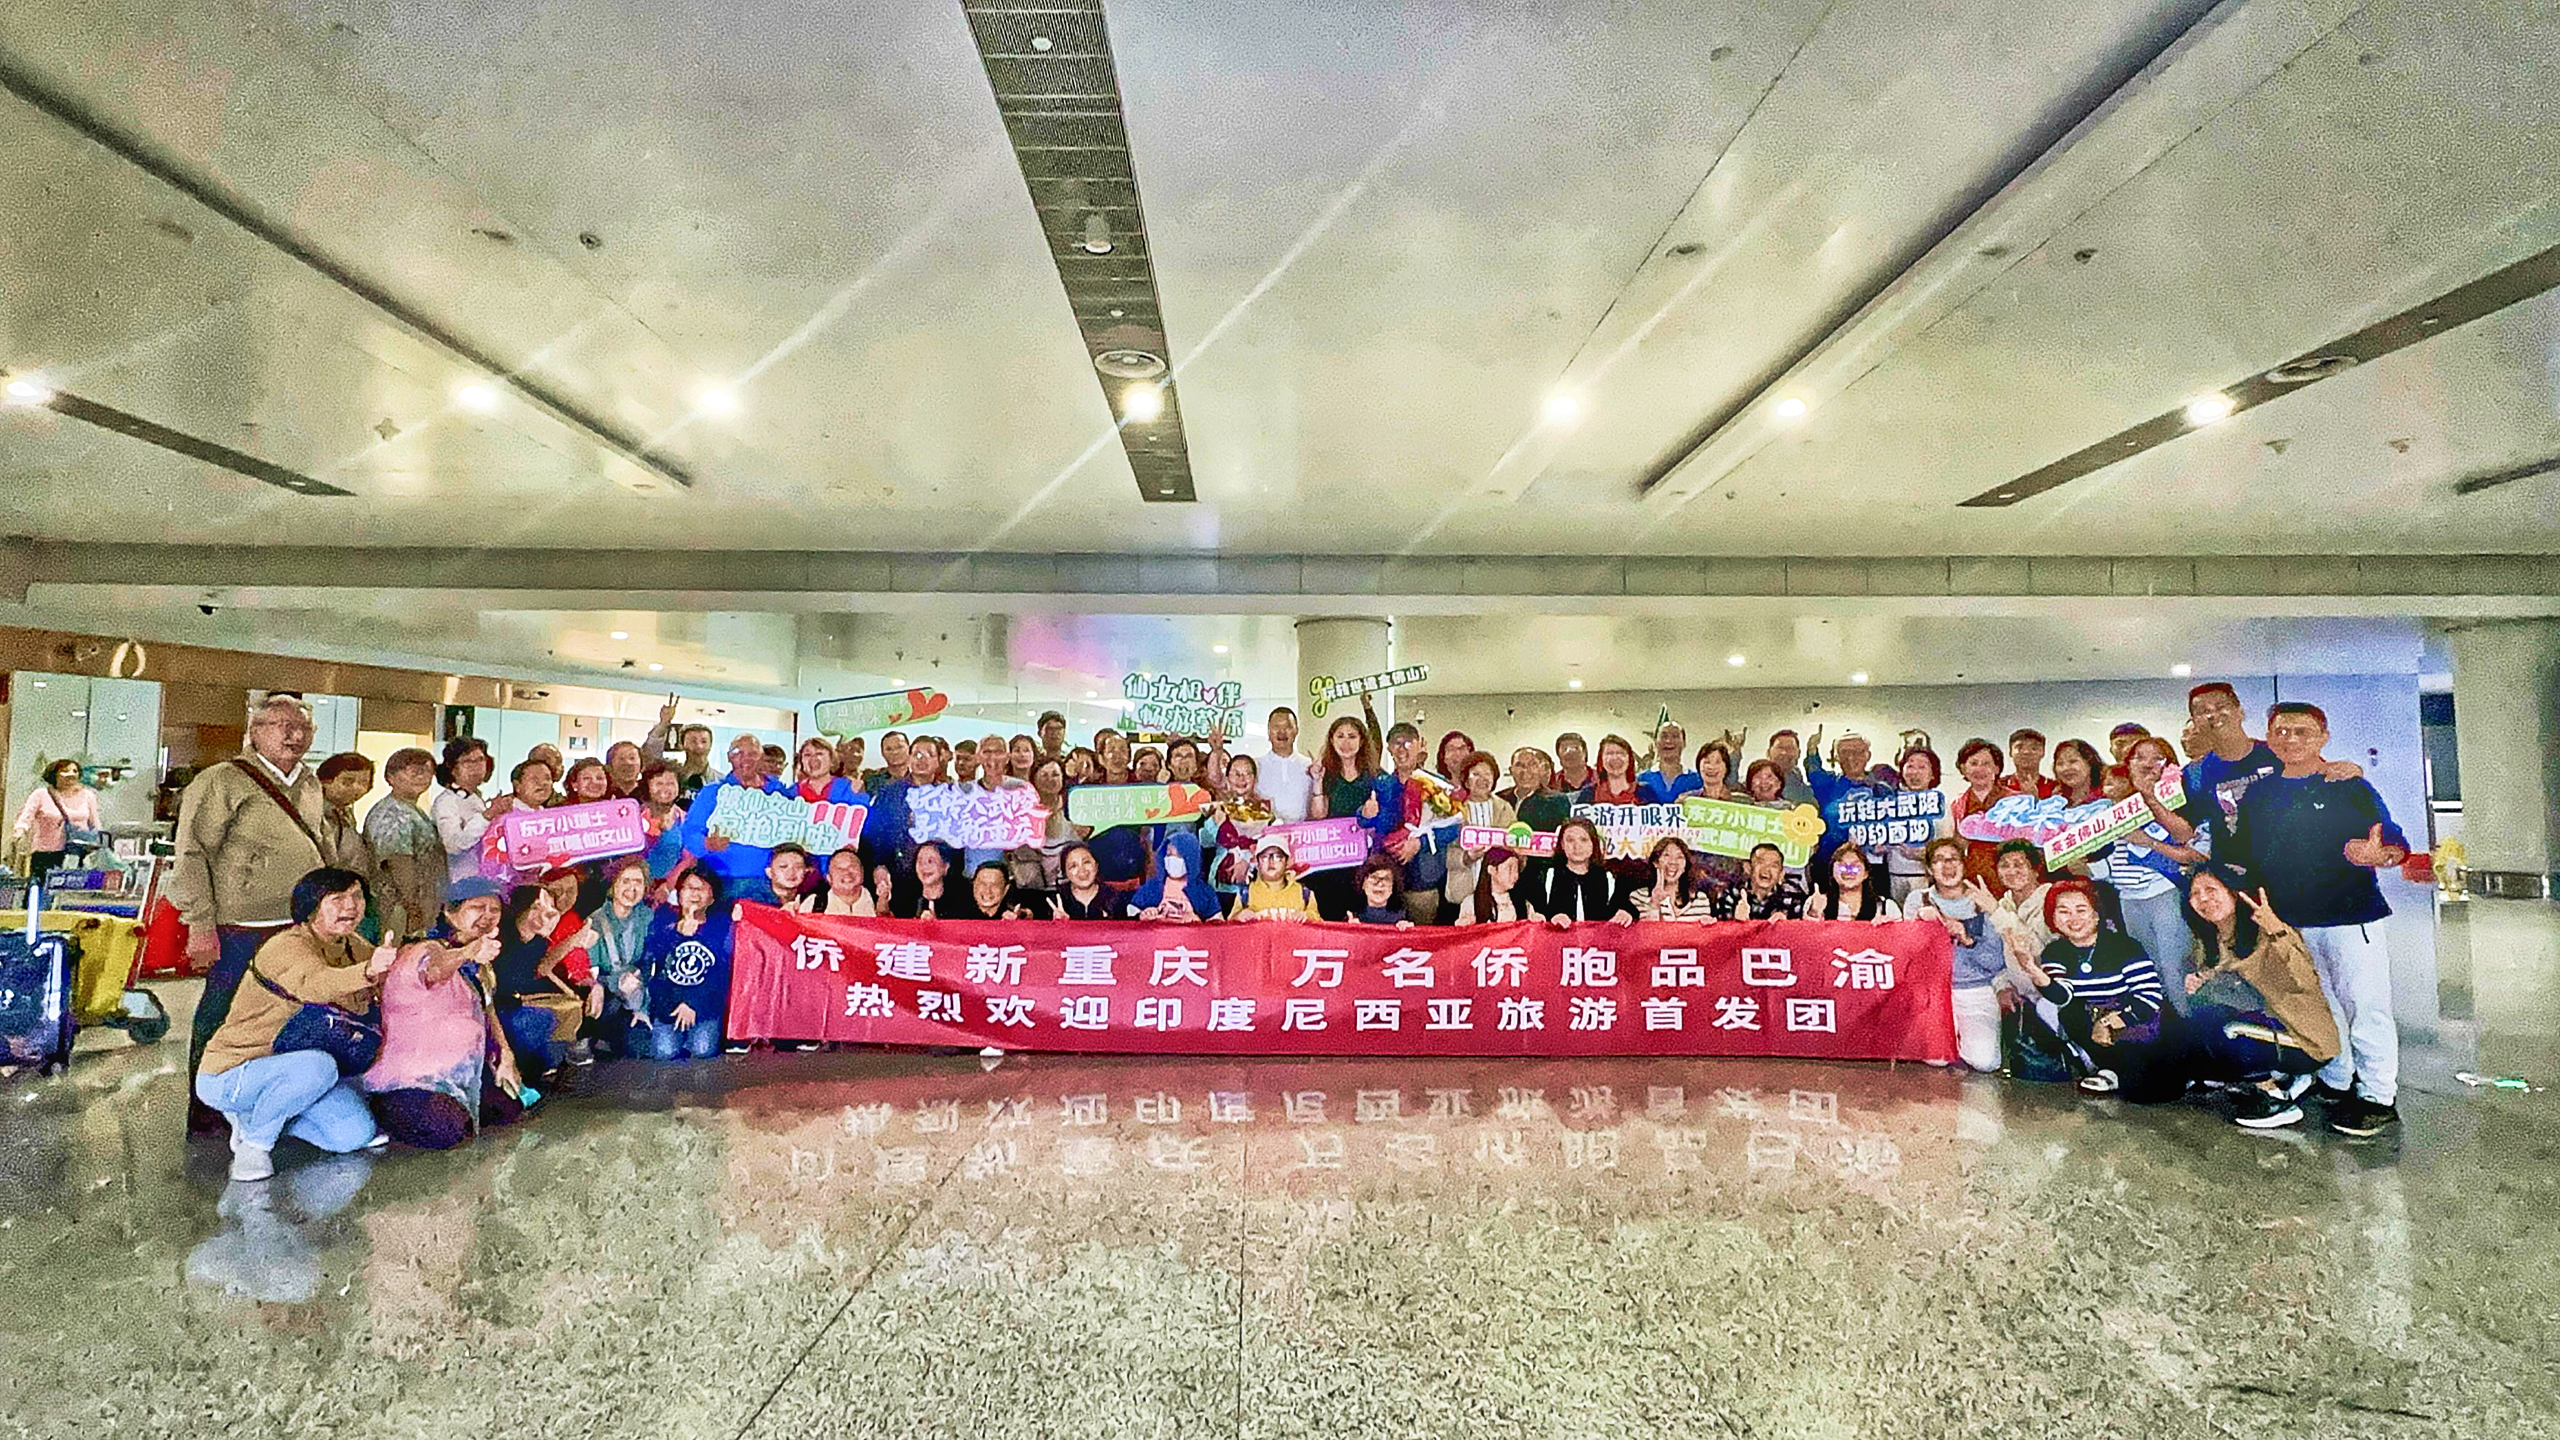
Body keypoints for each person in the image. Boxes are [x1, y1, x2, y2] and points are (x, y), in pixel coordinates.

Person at [2224, 701, 2411, 1137]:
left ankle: (2378, 1096)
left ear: (2323, 737)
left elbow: (2392, 838)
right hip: (2290, 925)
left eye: (2302, 731)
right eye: (2281, 731)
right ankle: (2336, 1079)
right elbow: (2247, 855)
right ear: (2269, 737)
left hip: (2350, 918)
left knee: (2365, 1007)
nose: (2290, 739)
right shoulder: (2260, 795)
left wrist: (2380, 855)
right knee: (2320, 1006)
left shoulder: (2348, 786)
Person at [176, 697, 330, 1131]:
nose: (294, 735)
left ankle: (272, 1102)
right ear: (255, 731)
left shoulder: (310, 783)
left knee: (290, 1011)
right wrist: (200, 923)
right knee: (224, 1012)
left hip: (299, 923)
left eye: (303, 728)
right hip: (239, 924)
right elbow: (191, 852)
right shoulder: (223, 780)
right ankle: (207, 1106)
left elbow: (320, 842)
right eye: (282, 725)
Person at [194, 867, 392, 1180]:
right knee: (319, 1067)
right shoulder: (285, 945)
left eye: (357, 897)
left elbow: (392, 977)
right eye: (337, 899)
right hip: (234, 1072)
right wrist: (368, 971)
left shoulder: (351, 945)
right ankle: (254, 1147)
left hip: (298, 1071)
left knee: (355, 1134)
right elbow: (316, 984)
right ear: (311, 907)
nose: (351, 906)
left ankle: (259, 1117)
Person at [362, 877, 527, 1149]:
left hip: (460, 1073)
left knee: (508, 1110)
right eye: (477, 907)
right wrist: (468, 952)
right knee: (450, 1130)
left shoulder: (481, 963)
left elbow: (487, 1007)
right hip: (409, 1082)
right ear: (450, 912)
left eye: (494, 909)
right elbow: (434, 968)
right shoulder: (422, 949)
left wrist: (505, 1054)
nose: (488, 916)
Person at [2180, 862, 2341, 1129]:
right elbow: (2224, 985)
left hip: (2304, 1039)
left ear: (2233, 892)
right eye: (2195, 893)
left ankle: (2275, 1099)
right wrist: (2200, 980)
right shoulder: (2211, 939)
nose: (2203, 899)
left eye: (2211, 889)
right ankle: (2282, 1079)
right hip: (2269, 1028)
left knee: (2217, 1025)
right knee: (2196, 1018)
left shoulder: (2266, 931)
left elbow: (2305, 980)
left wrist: (2276, 929)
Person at [2014, 882, 2179, 1101]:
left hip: (2138, 1021)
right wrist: (2032, 969)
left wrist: (2110, 1022)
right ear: (2053, 918)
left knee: (2146, 1092)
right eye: (2063, 911)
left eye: (2081, 910)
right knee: (2070, 1012)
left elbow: (2149, 995)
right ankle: (2107, 1066)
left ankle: (2131, 1069)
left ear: (2096, 915)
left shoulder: (2124, 946)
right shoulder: (2055, 952)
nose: (2073, 919)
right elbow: (2061, 995)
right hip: (2092, 1022)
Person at [2090, 735, 2205, 1010]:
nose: (2147, 764)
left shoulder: (2178, 798)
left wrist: (2149, 839)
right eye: (2139, 757)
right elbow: (2111, 861)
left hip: (2164, 890)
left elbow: (2189, 841)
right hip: (2128, 898)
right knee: (2149, 967)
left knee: (2174, 966)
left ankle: (2191, 1023)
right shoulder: (2116, 808)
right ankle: (2165, 1025)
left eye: (2157, 758)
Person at [1901, 839, 2010, 1072]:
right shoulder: (1918, 900)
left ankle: (1964, 1039)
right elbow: (1910, 955)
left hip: (1976, 990)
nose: (1947, 866)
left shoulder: (1981, 900)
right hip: (1935, 992)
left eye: (1953, 859)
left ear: (1963, 864)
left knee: (1985, 1062)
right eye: (1939, 860)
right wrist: (1923, 927)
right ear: (1929, 869)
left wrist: (1967, 939)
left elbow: (1995, 962)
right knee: (1936, 1058)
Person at [634, 870, 730, 1060]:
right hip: (669, 1004)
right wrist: (679, 935)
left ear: (711, 898)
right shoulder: (663, 927)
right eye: (689, 888)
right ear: (678, 895)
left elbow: (719, 977)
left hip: (704, 1006)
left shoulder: (720, 929)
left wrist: (692, 1003)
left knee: (702, 1049)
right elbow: (658, 974)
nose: (694, 893)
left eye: (701, 889)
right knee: (664, 1051)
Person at [678, 734, 788, 893]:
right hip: (721, 881)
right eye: (739, 753)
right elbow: (689, 832)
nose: (746, 759)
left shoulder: (781, 793)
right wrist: (707, 843)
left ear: (761, 757)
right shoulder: (712, 792)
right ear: (729, 757)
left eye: (752, 753)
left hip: (771, 883)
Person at [491, 883, 580, 1078]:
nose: (544, 914)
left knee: (570, 1008)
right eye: (535, 907)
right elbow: (503, 988)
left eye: (549, 908)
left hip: (520, 999)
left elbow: (534, 974)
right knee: (541, 1018)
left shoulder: (538, 942)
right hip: (501, 1009)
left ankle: (548, 1064)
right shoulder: (501, 939)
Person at [363, 748, 448, 943]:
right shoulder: (392, 813)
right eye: (415, 771)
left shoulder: (412, 809)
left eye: (428, 772)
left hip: (423, 906)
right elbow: (398, 862)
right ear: (391, 776)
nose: (423, 777)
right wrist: (412, 906)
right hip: (400, 908)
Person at [1308, 715, 1385, 918]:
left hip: (1365, 862)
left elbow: (1385, 821)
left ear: (1362, 740)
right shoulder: (1325, 773)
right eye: (1340, 736)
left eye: (1352, 736)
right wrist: (1317, 781)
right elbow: (1318, 815)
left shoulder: (1376, 775)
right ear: (1331, 740)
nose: (1346, 742)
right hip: (1332, 862)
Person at [1442, 752, 1518, 915]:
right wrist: (1466, 858)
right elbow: (1444, 851)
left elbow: (1515, 847)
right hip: (1462, 890)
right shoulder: (1453, 809)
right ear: (1466, 780)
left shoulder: (1505, 808)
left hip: (1497, 894)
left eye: (1487, 774)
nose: (1483, 779)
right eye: (1476, 774)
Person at [1525, 818, 1634, 926]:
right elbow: (1536, 911)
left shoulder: (1608, 878)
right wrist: (1549, 918)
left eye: (1583, 840)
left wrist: (1625, 914)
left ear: (1593, 844)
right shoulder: (1547, 876)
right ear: (1562, 845)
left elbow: (1626, 907)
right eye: (1570, 840)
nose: (1577, 846)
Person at [12, 756, 101, 884]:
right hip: (46, 851)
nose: (71, 774)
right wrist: (20, 831)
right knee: (43, 887)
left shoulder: (88, 796)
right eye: (65, 771)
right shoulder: (41, 794)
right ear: (54, 775)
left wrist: (99, 842)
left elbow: (95, 823)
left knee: (72, 889)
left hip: (77, 851)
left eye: (75, 771)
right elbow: (26, 816)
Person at [1947, 738, 2014, 886]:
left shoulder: (2016, 800)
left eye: (1986, 764)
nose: (1979, 769)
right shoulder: (1956, 805)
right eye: (1973, 763)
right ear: (1963, 768)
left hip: (2010, 874)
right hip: (1971, 876)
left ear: (1997, 768)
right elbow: (1955, 847)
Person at [431, 736, 496, 883]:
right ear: (453, 769)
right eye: (467, 761)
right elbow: (452, 845)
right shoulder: (446, 801)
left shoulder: (475, 798)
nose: (476, 766)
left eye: (480, 760)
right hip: (459, 883)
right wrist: (486, 817)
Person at [1883, 746, 1943, 902]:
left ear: (1932, 774)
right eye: (1910, 766)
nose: (1915, 772)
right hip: (1892, 875)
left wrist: (1925, 854)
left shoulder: (1940, 804)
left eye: (1922, 767)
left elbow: (1946, 844)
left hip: (1925, 877)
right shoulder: (1889, 802)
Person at [1133, 830, 1221, 923]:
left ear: (1190, 859)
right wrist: (1143, 914)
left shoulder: (1203, 891)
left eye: (1178, 856)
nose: (1171, 859)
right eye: (1168, 854)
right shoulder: (1152, 886)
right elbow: (1131, 912)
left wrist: (1197, 921)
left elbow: (1218, 923)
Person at [1231, 835, 1322, 922]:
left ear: (1287, 862)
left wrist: (1307, 916)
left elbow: (1320, 926)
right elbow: (1229, 926)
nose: (1271, 862)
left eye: (1277, 857)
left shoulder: (1304, 894)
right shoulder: (1245, 894)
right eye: (1264, 857)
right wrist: (1239, 917)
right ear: (1257, 863)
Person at [1626, 837, 1716, 921]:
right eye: (1666, 855)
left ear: (1685, 865)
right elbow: (1644, 931)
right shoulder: (1638, 897)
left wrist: (1707, 927)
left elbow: (1701, 932)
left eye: (1679, 857)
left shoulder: (1700, 899)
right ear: (1655, 862)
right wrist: (1654, 905)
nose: (1673, 862)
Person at [1712, 843, 1808, 920]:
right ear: (1748, 868)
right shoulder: (1732, 894)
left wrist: (1784, 926)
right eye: (1760, 863)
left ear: (1781, 874)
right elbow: (1719, 933)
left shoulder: (1792, 900)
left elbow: (1802, 931)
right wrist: (1736, 922)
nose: (1766, 869)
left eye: (1773, 866)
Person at [1257, 706, 1316, 824]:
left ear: (1296, 731)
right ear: (1268, 731)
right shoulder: (1256, 766)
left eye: (1287, 727)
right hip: (1266, 832)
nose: (1281, 732)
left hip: (1302, 831)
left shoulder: (1309, 766)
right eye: (1276, 727)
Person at [1806, 843, 1893, 922]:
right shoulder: (1815, 903)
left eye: (1855, 867)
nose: (1848, 872)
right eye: (1842, 867)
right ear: (1832, 871)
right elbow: (1807, 932)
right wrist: (1814, 912)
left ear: (1866, 873)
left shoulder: (1886, 907)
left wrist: (1887, 928)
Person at [635, 762, 690, 883]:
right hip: (635, 884)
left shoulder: (686, 820)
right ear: (647, 786)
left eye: (670, 783)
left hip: (669, 887)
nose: (665, 788)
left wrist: (668, 885)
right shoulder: (633, 816)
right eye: (659, 783)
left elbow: (689, 859)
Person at [883, 842, 965, 919]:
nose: (924, 866)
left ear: (945, 866)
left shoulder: (959, 902)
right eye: (920, 861)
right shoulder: (907, 900)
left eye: (930, 861)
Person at [1052, 843, 1131, 920]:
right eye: (1073, 866)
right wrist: (1060, 925)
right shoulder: (1056, 900)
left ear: (1096, 866)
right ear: (1065, 873)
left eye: (1086, 862)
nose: (1082, 870)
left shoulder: (1115, 898)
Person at [1452, 847, 1529, 924]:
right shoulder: (1472, 902)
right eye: (1510, 869)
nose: (1515, 876)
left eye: (1517, 870)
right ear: (1492, 870)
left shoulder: (1522, 904)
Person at [957, 861, 1050, 920]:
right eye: (983, 883)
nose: (988, 890)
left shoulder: (1013, 910)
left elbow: (1033, 912)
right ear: (973, 885)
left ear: (1006, 889)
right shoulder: (958, 912)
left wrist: (1023, 920)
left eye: (995, 884)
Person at [1636, 720, 1698, 803]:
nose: (1668, 741)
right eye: (1664, 736)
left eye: (1675, 736)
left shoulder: (1697, 780)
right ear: (1655, 743)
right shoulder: (1641, 779)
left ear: (1684, 743)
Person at [1348, 855, 1416, 926]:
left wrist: (1408, 930)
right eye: (1374, 878)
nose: (1380, 884)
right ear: (1363, 884)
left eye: (1386, 879)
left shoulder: (1404, 917)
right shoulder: (1353, 916)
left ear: (1393, 887)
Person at [819, 847, 876, 916]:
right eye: (839, 869)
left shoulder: (881, 901)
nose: (846, 872)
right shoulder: (813, 904)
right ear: (829, 878)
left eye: (852, 866)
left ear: (862, 871)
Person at [1588, 734, 1643, 806]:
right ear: (1601, 759)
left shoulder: (1645, 792)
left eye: (1621, 753)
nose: (1615, 758)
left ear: (1630, 759)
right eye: (1609, 753)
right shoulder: (1588, 793)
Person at [1765, 730, 1815, 806]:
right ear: (1768, 752)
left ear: (1798, 753)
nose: (1784, 753)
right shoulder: (1756, 782)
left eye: (1790, 748)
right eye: (1780, 748)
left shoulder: (1802, 790)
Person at [672, 723, 717, 799]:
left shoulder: (720, 781)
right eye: (693, 741)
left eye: (704, 741)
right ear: (682, 745)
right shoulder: (673, 778)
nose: (699, 746)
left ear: (710, 745)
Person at [2007, 728, 2055, 797]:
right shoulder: (1999, 786)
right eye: (2019, 748)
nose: (2026, 752)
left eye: (2033, 748)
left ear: (2043, 752)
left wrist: (2035, 798)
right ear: (2010, 752)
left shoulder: (2054, 787)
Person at [864, 730, 911, 795]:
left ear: (910, 749)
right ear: (882, 753)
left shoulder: (921, 779)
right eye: (889, 749)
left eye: (899, 747)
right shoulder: (872, 783)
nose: (895, 752)